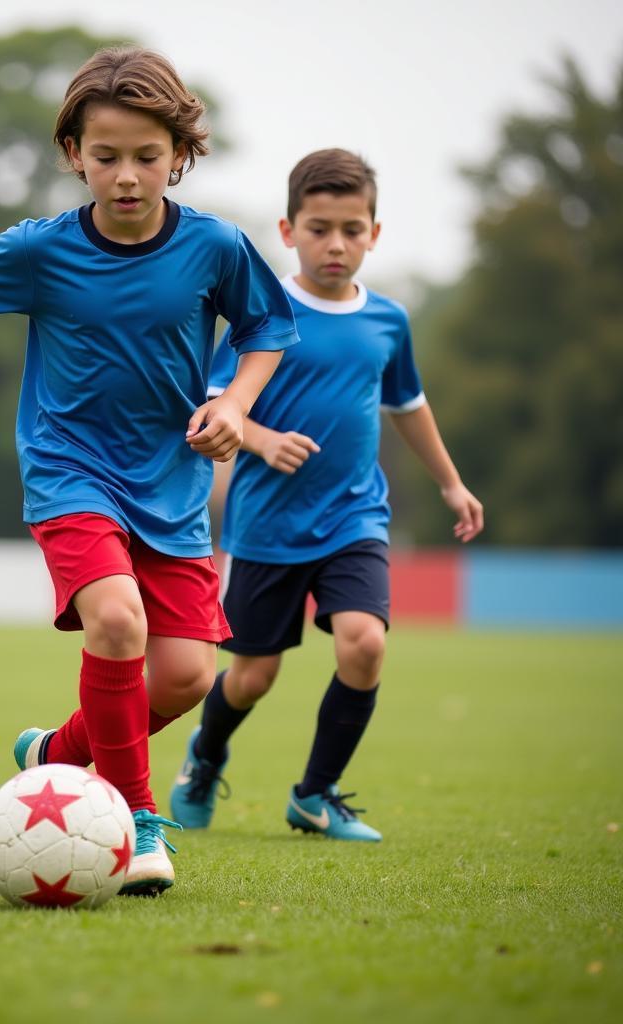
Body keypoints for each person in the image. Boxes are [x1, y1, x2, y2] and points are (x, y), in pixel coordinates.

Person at [0, 47, 298, 894]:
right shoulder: (43, 250)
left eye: (146, 157)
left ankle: (57, 753)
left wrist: (231, 406)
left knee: (187, 676)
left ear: (178, 156)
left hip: (173, 487)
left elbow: (266, 330)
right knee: (118, 623)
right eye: (105, 156)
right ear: (74, 153)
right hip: (70, 471)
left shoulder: (216, 247)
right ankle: (138, 819)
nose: (125, 175)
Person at [170, 149, 484, 841]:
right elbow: (215, 408)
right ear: (288, 231)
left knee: (364, 643)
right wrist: (261, 441)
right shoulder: (263, 312)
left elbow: (409, 405)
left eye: (350, 228)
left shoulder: (388, 322)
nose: (335, 244)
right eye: (319, 228)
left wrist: (451, 482)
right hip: (265, 526)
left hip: (354, 516)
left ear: (374, 232)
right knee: (251, 678)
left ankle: (316, 793)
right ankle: (205, 755)